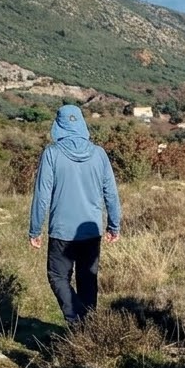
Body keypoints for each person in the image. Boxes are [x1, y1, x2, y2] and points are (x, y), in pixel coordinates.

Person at [28, 104, 122, 326]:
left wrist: (35, 229)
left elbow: (42, 195)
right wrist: (114, 225)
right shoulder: (99, 154)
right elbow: (111, 192)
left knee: (58, 277)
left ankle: (76, 320)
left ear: (58, 125)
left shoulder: (51, 153)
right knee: (87, 279)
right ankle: (88, 328)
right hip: (91, 230)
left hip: (61, 230)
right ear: (82, 125)